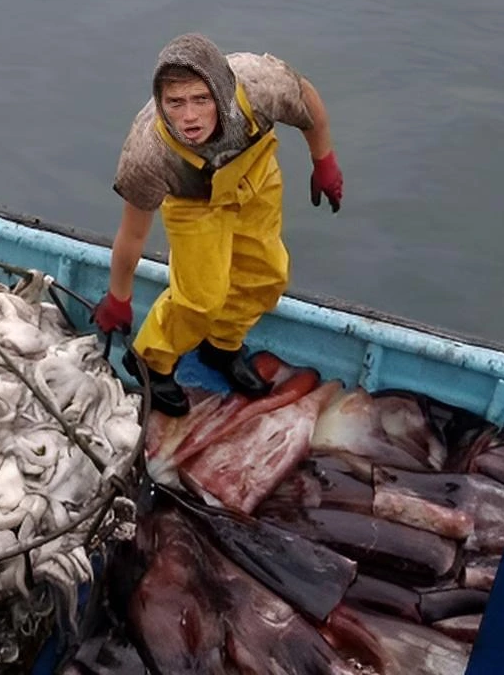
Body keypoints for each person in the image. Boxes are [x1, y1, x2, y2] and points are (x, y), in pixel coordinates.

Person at [92, 33, 344, 415]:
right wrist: (118, 297)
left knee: (267, 276)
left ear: (222, 93)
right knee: (200, 299)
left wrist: (324, 162)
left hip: (255, 179)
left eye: (201, 100)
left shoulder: (261, 86)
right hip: (194, 204)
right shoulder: (147, 157)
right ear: (161, 104)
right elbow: (133, 233)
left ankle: (221, 346)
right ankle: (150, 362)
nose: (189, 117)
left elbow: (306, 96)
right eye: (175, 103)